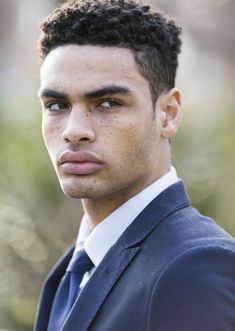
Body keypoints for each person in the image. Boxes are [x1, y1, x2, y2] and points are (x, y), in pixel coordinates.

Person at [34, 0, 235, 330]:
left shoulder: (198, 267)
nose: (73, 131)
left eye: (109, 103)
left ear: (167, 113)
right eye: (57, 104)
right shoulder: (71, 271)